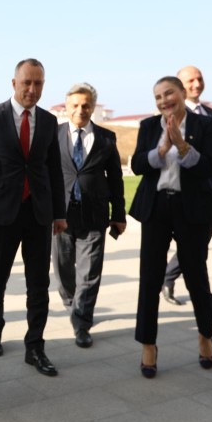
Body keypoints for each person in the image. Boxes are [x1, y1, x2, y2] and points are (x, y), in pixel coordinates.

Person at [129, 76, 212, 379]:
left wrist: (181, 146)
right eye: (158, 97)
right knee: (149, 279)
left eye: (169, 93)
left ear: (182, 93)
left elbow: (210, 168)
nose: (163, 100)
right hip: (156, 208)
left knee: (196, 276)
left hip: (190, 209)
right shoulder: (148, 126)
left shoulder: (205, 125)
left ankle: (205, 336)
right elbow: (137, 165)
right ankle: (148, 345)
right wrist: (161, 149)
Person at [0, 59, 66, 375]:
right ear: (14, 83)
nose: (32, 89)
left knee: (38, 283)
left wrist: (60, 213)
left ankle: (35, 347)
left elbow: (54, 169)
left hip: (38, 212)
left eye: (38, 83)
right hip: (1, 211)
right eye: (27, 82)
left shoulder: (49, 121)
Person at [52, 83, 126, 348]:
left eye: (85, 105)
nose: (80, 110)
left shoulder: (106, 138)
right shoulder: (53, 135)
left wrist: (119, 214)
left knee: (90, 272)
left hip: (94, 215)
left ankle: (82, 322)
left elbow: (115, 179)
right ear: (66, 107)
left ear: (93, 107)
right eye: (75, 105)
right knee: (62, 269)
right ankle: (73, 305)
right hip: (60, 215)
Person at [161, 66, 212, 324]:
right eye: (190, 80)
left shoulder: (210, 114)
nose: (197, 84)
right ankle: (206, 303)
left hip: (211, 193)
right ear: (179, 88)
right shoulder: (170, 114)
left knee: (197, 247)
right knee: (197, 251)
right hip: (186, 195)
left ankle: (168, 277)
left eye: (199, 78)